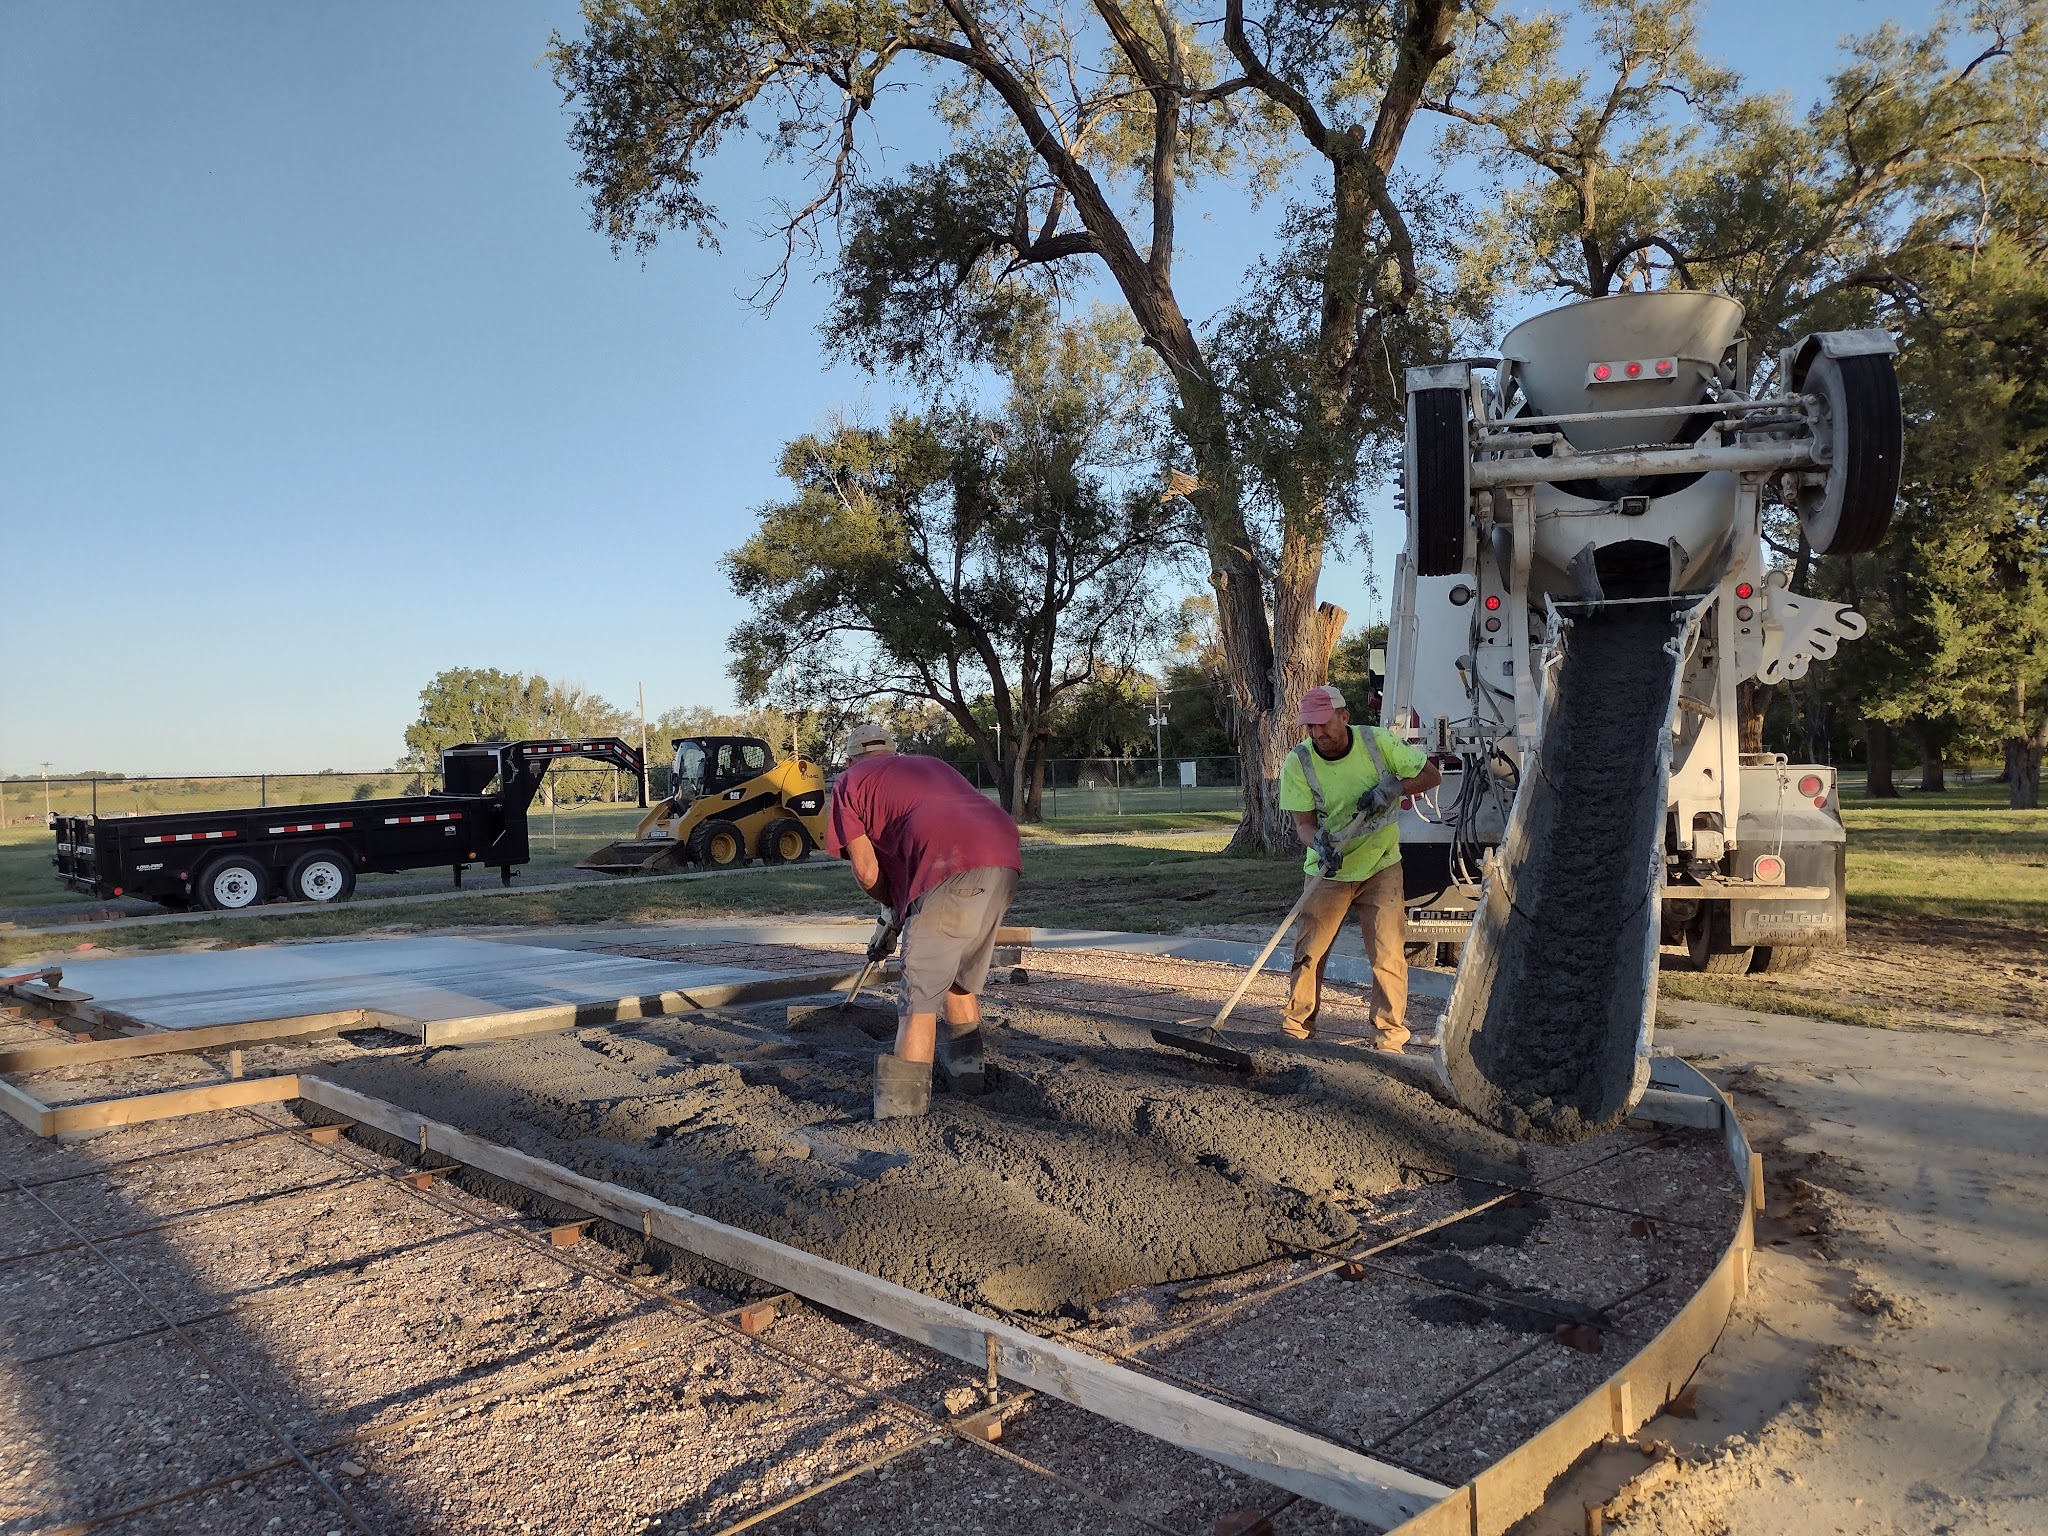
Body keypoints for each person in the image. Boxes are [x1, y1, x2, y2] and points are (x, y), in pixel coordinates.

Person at [825, 724, 1022, 1119]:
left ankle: (903, 1115)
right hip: (1003, 854)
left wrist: (892, 905)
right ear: (894, 753)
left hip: (948, 862)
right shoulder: (928, 764)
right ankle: (969, 1078)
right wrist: (902, 905)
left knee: (918, 995)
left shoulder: (849, 782)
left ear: (849, 760)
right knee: (956, 977)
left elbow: (866, 871)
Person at [1277, 685, 1442, 1050]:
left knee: (1387, 955)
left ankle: (1389, 1039)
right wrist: (1319, 843)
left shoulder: (1377, 743)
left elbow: (1432, 776)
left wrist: (1393, 789)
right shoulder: (1299, 762)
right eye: (1310, 728)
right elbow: (1303, 824)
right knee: (1309, 954)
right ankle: (1297, 1031)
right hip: (1330, 870)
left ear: (1343, 717)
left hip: (1381, 866)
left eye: (1324, 725)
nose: (1318, 734)